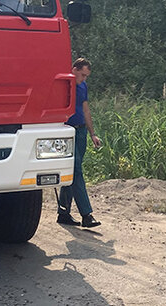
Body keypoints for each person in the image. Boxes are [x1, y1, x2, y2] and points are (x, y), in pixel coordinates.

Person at [57, 57, 102, 228]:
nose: (84, 79)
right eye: (82, 75)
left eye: (86, 76)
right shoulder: (64, 84)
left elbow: (85, 109)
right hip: (66, 131)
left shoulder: (83, 86)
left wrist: (92, 134)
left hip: (81, 130)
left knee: (73, 172)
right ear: (74, 69)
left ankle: (63, 212)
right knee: (75, 170)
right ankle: (86, 214)